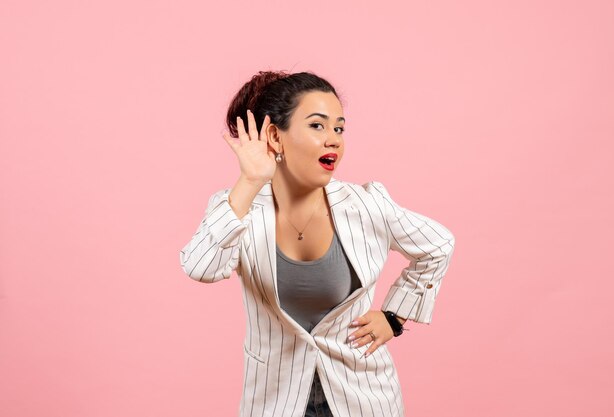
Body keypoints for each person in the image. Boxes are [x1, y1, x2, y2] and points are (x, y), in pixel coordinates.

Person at [179, 70, 456, 417]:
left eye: (339, 128)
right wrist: (249, 182)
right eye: (317, 126)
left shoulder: (365, 204)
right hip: (275, 401)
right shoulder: (239, 206)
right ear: (274, 137)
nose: (334, 140)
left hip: (363, 398)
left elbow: (439, 244)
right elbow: (200, 267)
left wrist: (394, 317)